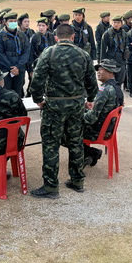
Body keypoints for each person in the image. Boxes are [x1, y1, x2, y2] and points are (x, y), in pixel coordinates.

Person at [30, 24, 98, 198]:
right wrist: (90, 99)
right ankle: (77, 181)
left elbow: (37, 79)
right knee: (76, 142)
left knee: (51, 145)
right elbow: (92, 81)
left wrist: (38, 99)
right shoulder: (83, 54)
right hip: (76, 105)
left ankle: (51, 187)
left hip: (54, 106)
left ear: (56, 38)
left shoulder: (49, 53)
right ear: (73, 37)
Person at [82, 59, 124, 167]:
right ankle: (88, 154)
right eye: (98, 69)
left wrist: (76, 116)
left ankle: (92, 153)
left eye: (101, 69)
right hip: (108, 129)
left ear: (110, 72)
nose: (98, 72)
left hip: (98, 131)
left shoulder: (105, 90)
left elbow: (91, 118)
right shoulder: (117, 88)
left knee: (65, 132)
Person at [0, 12, 29, 96]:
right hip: (5, 68)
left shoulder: (22, 35)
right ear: (5, 22)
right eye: (10, 21)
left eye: (15, 21)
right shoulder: (0, 36)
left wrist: (18, 66)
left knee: (18, 91)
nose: (13, 23)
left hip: (19, 67)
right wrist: (10, 68)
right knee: (6, 91)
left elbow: (26, 52)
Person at [99, 15, 129, 86]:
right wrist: (102, 63)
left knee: (120, 80)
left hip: (121, 59)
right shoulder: (107, 34)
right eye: (114, 22)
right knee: (110, 80)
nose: (116, 24)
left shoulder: (124, 34)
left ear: (121, 23)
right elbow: (103, 49)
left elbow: (126, 47)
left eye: (118, 23)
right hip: (111, 59)